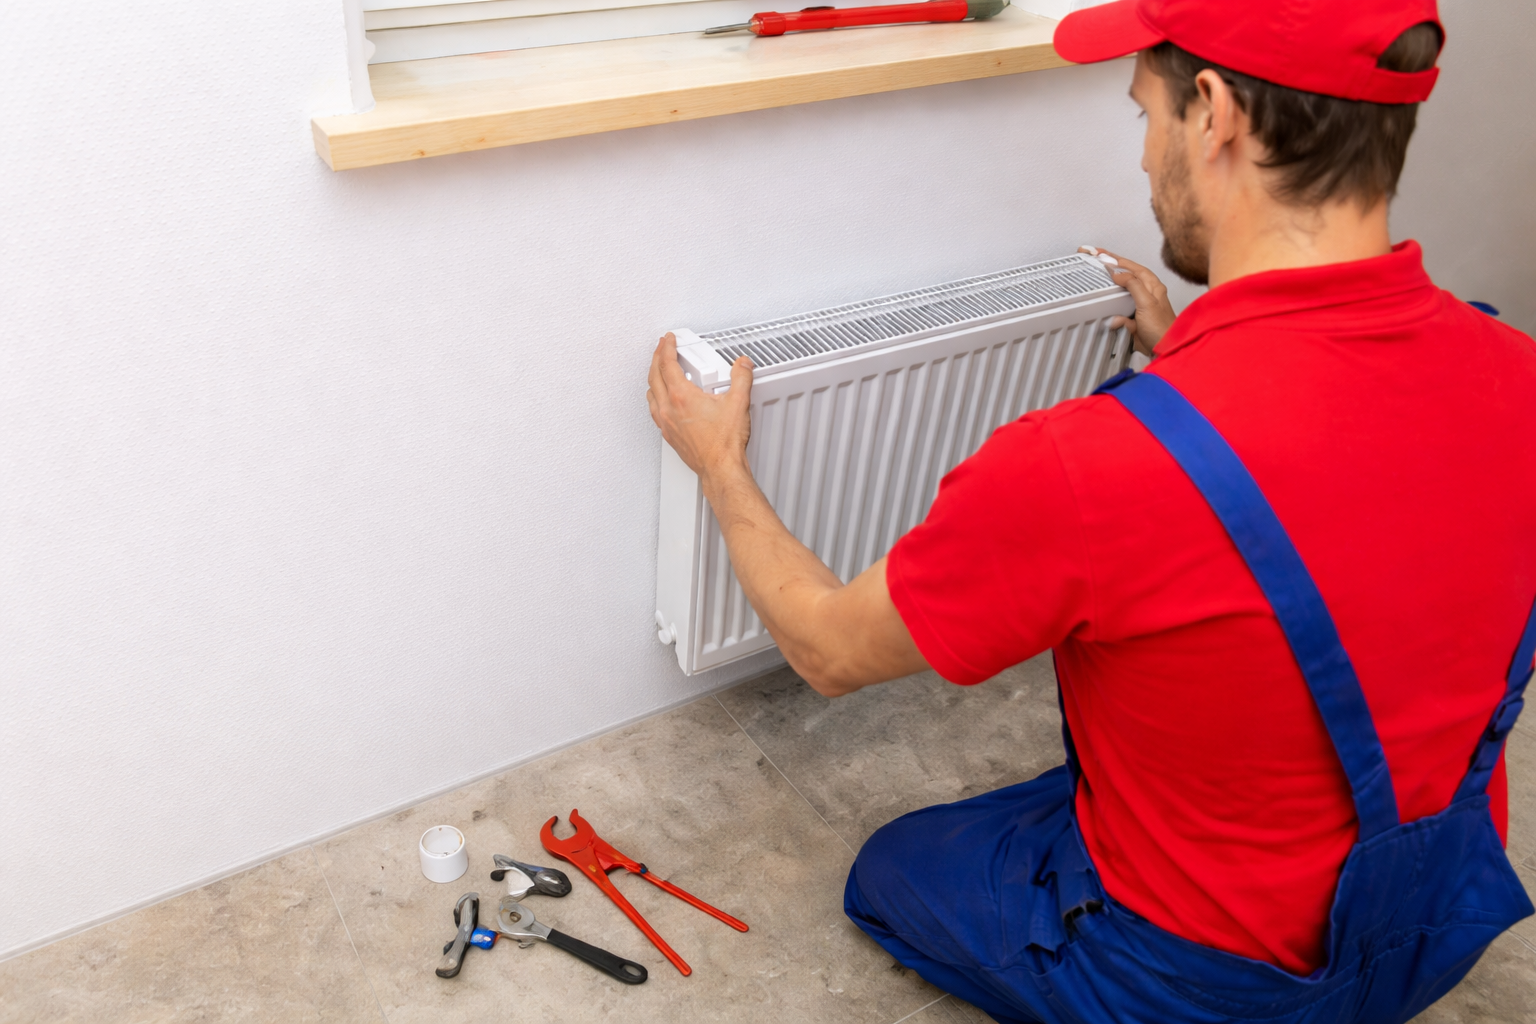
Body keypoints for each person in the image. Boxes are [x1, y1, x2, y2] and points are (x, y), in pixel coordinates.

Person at [645, 0, 1536, 1020]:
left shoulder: (1094, 467)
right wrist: (1194, 352)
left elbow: (827, 650)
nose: (1147, 154)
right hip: (1430, 926)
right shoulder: (1518, 372)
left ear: (1215, 116)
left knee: (893, 869)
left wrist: (719, 463)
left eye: (1144, 114)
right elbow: (1369, 503)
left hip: (1205, 986)